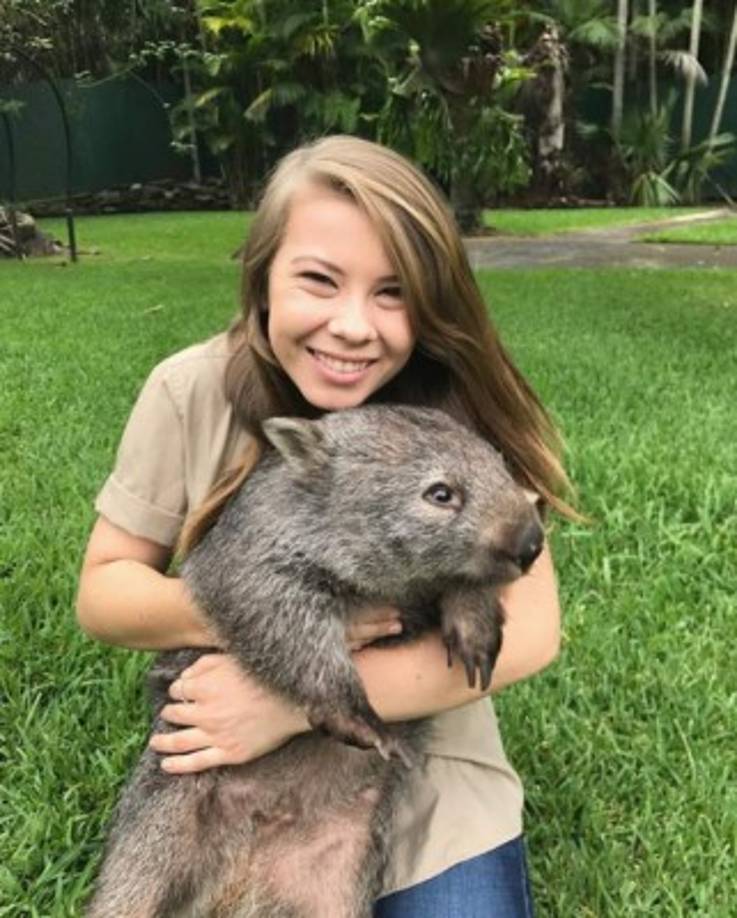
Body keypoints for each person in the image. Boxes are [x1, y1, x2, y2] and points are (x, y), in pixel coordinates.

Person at [77, 135, 573, 917]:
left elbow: (533, 634)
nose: (351, 326)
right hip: (217, 756)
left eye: (392, 291)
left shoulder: (454, 408)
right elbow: (103, 594)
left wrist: (286, 706)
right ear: (262, 275)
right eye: (318, 280)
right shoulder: (190, 390)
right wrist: (272, 628)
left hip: (416, 763)